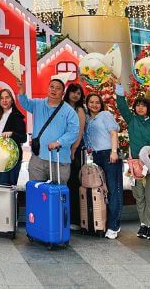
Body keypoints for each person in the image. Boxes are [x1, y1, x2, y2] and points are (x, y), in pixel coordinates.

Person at [114, 80, 150, 241]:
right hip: (135, 165)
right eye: (137, 105)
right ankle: (143, 224)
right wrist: (119, 86)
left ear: (148, 108)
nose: (140, 107)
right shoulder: (131, 121)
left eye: (143, 105)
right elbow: (122, 105)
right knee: (139, 195)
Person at [16, 76, 79, 185]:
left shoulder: (69, 111)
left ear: (63, 93)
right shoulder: (37, 104)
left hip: (59, 159)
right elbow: (25, 103)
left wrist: (59, 142)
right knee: (36, 191)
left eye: (58, 88)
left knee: (56, 195)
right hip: (38, 158)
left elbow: (73, 132)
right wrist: (22, 90)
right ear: (48, 88)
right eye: (51, 87)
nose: (54, 90)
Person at [83, 93, 122, 239]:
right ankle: (104, 222)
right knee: (102, 191)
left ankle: (114, 226)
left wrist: (114, 151)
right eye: (91, 102)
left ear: (101, 104)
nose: (94, 105)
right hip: (97, 157)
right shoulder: (87, 119)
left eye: (97, 102)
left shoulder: (105, 114)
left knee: (114, 190)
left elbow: (113, 133)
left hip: (109, 155)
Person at [0, 88, 26, 186]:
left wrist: (12, 134)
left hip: (10, 158)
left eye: (7, 97)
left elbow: (23, 138)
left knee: (7, 188)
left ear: (12, 99)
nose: (4, 100)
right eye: (2, 98)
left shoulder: (16, 116)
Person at [64, 83, 86, 229]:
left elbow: (79, 132)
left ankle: (75, 219)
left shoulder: (79, 110)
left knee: (73, 183)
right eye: (73, 92)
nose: (75, 95)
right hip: (62, 147)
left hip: (74, 150)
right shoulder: (62, 107)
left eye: (78, 93)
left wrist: (73, 150)